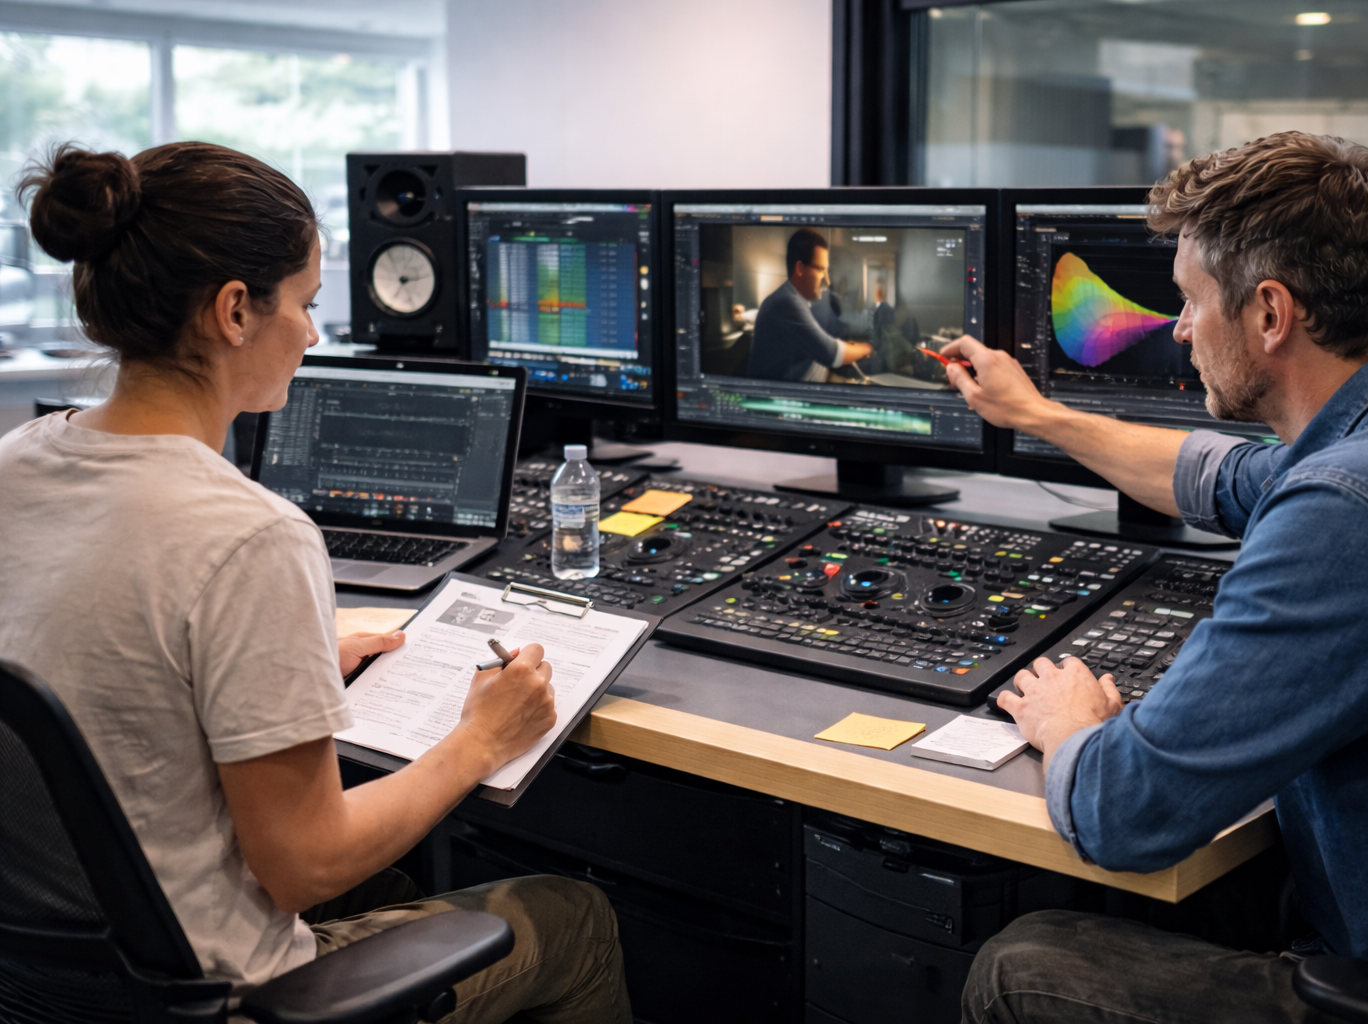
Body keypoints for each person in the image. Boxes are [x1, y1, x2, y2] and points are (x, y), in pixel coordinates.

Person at [0, 143, 631, 1024]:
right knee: (572, 915)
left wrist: (275, 671)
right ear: (233, 311)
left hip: (45, 982)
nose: (311, 333)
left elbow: (99, 657)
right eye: (304, 303)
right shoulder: (249, 536)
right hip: (215, 994)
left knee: (404, 885)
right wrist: (480, 741)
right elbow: (307, 865)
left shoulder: (17, 461)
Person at [940, 132, 1368, 1020]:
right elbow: (1217, 476)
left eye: (1190, 300)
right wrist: (1038, 414)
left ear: (1269, 314)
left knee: (1020, 969)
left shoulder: (1351, 511)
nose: (1180, 328)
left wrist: (1069, 725)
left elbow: (1122, 813)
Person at [746, 227, 872, 381]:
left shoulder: (796, 299)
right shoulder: (788, 302)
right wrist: (865, 349)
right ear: (800, 268)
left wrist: (848, 347)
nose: (827, 280)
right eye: (821, 270)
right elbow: (831, 354)